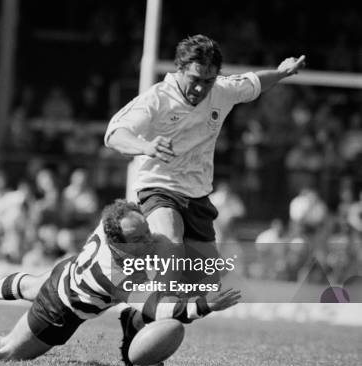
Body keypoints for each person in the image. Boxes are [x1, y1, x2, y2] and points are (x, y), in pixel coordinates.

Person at [0, 200, 240, 366]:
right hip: (60, 309)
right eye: (141, 237)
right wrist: (205, 305)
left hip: (67, 270)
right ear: (118, 244)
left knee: (32, 284)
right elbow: (156, 307)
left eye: (147, 230)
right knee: (6, 350)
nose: (151, 239)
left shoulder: (114, 222)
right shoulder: (110, 276)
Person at [104, 34, 305, 281]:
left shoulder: (222, 90)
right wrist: (145, 147)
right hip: (159, 186)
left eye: (208, 81)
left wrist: (282, 72)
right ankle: (149, 293)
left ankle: (145, 302)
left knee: (205, 282)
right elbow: (114, 134)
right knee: (171, 242)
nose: (200, 88)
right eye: (195, 79)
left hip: (197, 194)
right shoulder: (156, 99)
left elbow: (255, 82)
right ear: (180, 69)